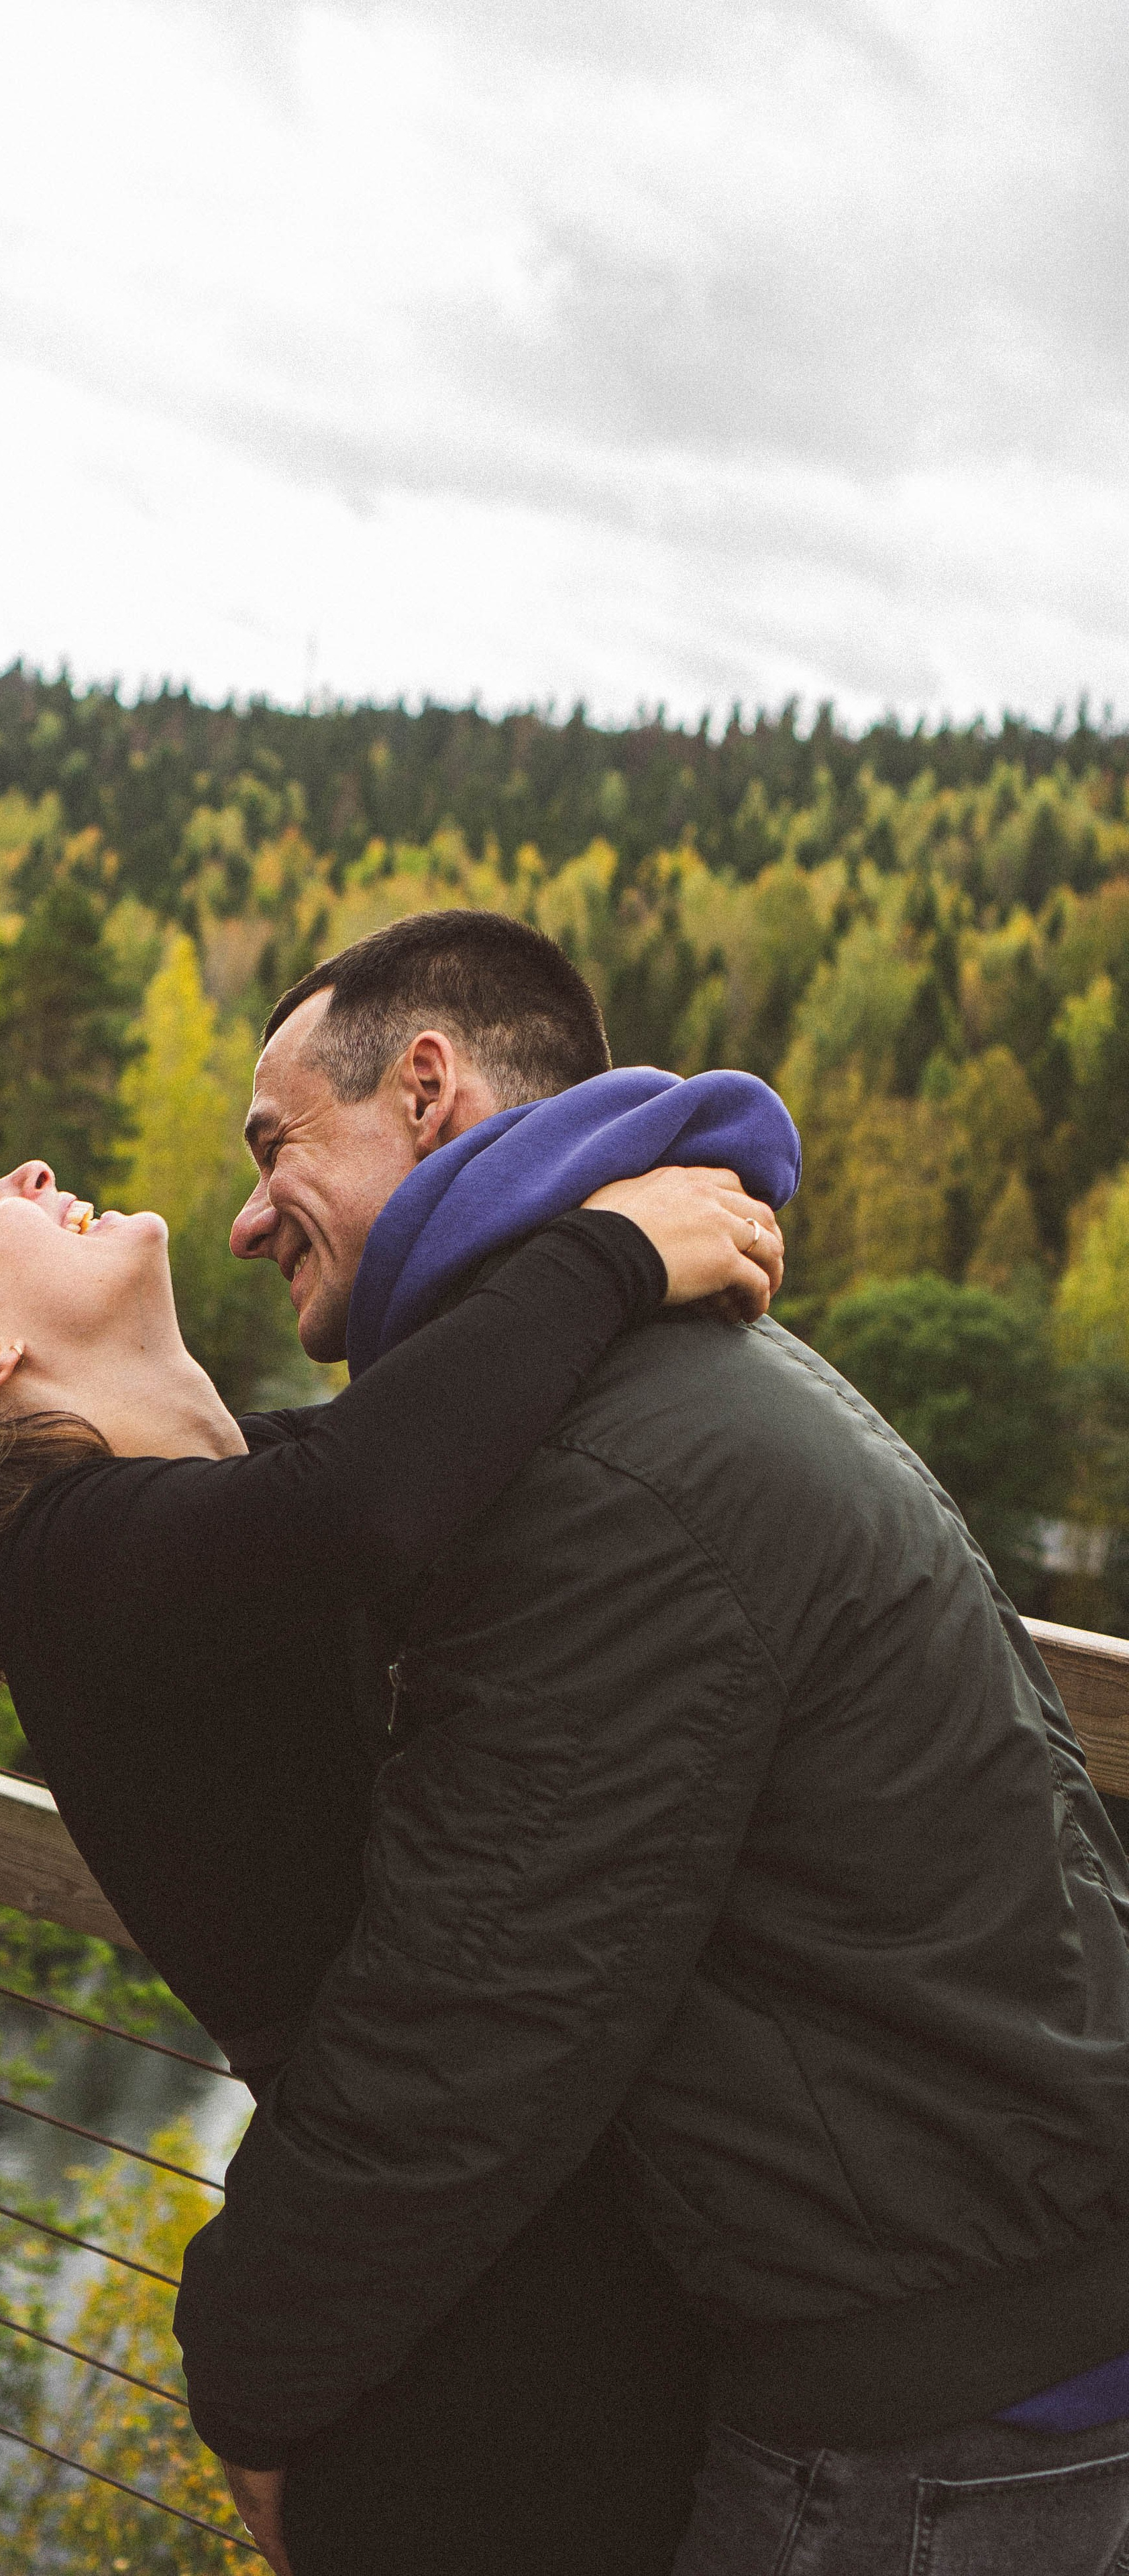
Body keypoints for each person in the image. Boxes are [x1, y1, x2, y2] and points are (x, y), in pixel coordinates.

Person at [0, 1132, 785, 2572]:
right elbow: (363, 1497)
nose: (22, 1171)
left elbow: (370, 1469)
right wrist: (614, 1247)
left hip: (465, 2283)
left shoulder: (181, 1533)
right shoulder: (83, 1574)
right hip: (467, 2370)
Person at [170, 908, 1129, 2576]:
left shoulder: (606, 1475)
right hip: (961, 2322)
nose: (247, 1219)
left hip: (937, 2410)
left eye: (274, 1147)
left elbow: (474, 2006)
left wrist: (250, 2372)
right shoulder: (645, 1381)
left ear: (423, 1089)